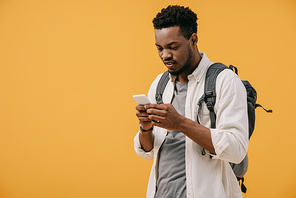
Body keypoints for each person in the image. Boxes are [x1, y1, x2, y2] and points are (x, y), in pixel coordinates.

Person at [134, 5, 248, 198]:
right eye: (159, 48)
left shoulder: (224, 81)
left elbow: (237, 149)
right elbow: (148, 152)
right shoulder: (160, 84)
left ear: (193, 40)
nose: (165, 55)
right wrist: (146, 128)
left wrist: (179, 123)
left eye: (173, 47)